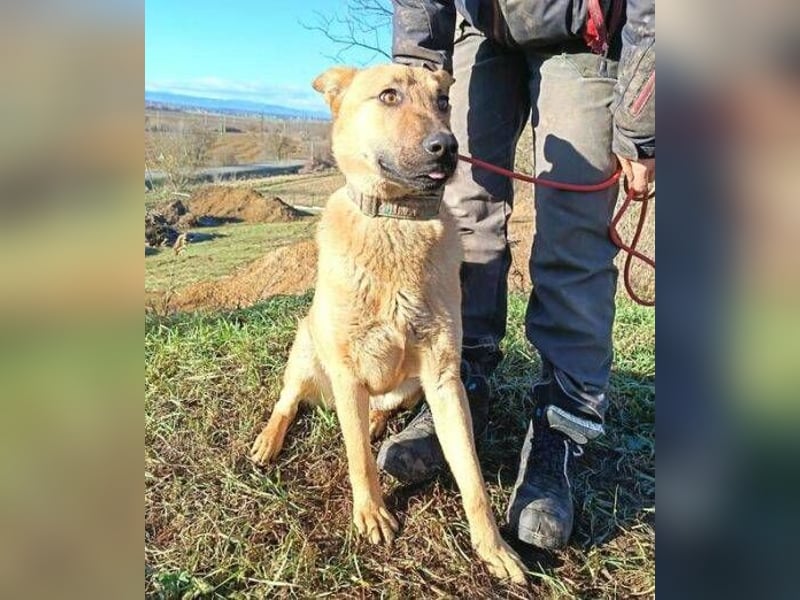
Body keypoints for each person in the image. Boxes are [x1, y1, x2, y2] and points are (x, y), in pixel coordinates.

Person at [376, 0, 655, 550]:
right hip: (480, 32)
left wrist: (641, 121)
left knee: (573, 236)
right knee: (463, 216)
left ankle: (563, 424)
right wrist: (413, 74)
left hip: (585, 32)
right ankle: (461, 385)